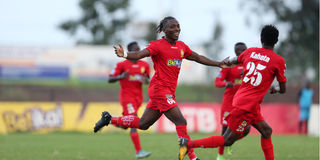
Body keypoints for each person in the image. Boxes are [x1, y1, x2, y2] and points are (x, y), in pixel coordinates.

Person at [94, 16, 229, 160]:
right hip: (160, 90)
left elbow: (198, 57)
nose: (177, 29)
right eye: (172, 27)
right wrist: (125, 54)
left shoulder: (181, 46)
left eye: (178, 26)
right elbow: (140, 54)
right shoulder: (157, 45)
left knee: (143, 124)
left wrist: (218, 63)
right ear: (164, 30)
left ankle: (109, 119)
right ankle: (192, 157)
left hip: (167, 92)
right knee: (181, 122)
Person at [180, 25, 286, 160]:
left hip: (247, 103)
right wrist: (275, 89)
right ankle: (188, 144)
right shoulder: (279, 61)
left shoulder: (251, 51)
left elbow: (233, 60)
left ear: (261, 39)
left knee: (267, 131)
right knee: (227, 140)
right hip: (246, 106)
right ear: (277, 41)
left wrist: (225, 62)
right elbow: (282, 89)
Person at [105, 41, 151, 159]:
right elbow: (110, 79)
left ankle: (108, 120)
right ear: (129, 51)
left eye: (139, 49)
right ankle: (139, 151)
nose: (138, 52)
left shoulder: (144, 65)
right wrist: (121, 76)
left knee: (127, 125)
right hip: (127, 97)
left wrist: (146, 80)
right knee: (134, 120)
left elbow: (148, 79)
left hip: (138, 98)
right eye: (135, 50)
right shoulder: (122, 65)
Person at [214, 42, 251, 160]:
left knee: (246, 129)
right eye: (238, 51)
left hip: (243, 103)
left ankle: (230, 142)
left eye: (243, 50)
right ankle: (220, 155)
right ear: (235, 52)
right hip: (229, 103)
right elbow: (217, 82)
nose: (241, 53)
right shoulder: (230, 65)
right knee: (225, 130)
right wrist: (226, 83)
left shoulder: (250, 65)